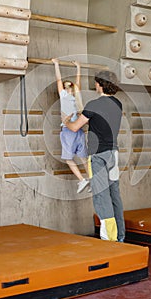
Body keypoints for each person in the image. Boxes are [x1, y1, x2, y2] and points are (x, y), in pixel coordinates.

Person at [64, 70, 125, 242]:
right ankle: (120, 237)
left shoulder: (93, 104)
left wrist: (66, 121)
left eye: (96, 83)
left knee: (101, 195)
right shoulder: (117, 104)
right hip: (113, 154)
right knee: (114, 195)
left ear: (100, 84)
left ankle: (109, 239)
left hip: (98, 156)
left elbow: (75, 127)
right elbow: (101, 121)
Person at [52, 58, 90, 193]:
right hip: (78, 130)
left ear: (66, 88)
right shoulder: (77, 97)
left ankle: (82, 180)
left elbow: (58, 79)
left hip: (68, 130)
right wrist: (78, 67)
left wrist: (56, 64)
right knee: (83, 158)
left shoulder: (63, 96)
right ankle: (91, 179)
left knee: (68, 159)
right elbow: (78, 82)